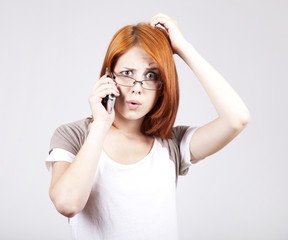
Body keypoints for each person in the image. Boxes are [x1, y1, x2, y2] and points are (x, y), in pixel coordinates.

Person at [45, 13, 250, 240]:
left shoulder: (172, 142)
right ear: (108, 76)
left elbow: (237, 118)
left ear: (163, 86)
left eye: (151, 75)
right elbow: (67, 203)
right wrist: (101, 124)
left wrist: (183, 48)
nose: (137, 88)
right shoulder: (73, 135)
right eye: (127, 73)